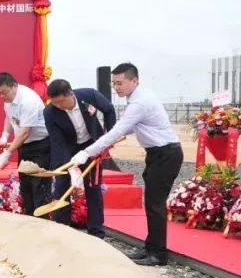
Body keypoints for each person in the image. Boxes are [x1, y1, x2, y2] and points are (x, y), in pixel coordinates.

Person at [71, 63, 182, 265]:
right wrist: (105, 144)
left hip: (166, 154)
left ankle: (158, 254)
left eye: (120, 83)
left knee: (155, 204)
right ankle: (150, 247)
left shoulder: (140, 102)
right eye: (114, 83)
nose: (116, 88)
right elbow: (129, 128)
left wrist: (86, 152)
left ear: (134, 80)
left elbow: (119, 130)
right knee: (151, 203)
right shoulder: (137, 98)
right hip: (157, 153)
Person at [44, 79, 117, 238]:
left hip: (92, 147)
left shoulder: (89, 95)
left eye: (61, 101)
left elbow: (109, 110)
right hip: (66, 150)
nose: (58, 106)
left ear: (71, 94)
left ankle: (96, 232)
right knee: (61, 189)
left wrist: (109, 138)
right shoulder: (49, 112)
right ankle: (62, 230)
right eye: (54, 103)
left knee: (93, 188)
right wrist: (72, 168)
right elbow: (58, 142)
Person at [0, 72, 51, 216]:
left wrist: (7, 153)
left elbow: (25, 132)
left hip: (40, 146)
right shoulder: (8, 98)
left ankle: (42, 223)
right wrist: (4, 136)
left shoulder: (28, 100)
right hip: (24, 146)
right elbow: (9, 117)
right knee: (25, 187)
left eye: (4, 92)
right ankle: (29, 220)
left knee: (39, 187)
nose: (2, 96)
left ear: (14, 86)